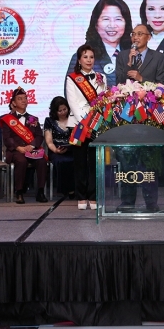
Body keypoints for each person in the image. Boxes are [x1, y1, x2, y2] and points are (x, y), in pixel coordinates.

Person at [67, 44, 107, 210]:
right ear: (79, 60)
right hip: (78, 124)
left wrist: (94, 121)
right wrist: (85, 121)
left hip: (97, 124)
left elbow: (104, 100)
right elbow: (72, 102)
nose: (89, 60)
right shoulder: (72, 78)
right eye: (85, 57)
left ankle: (93, 196)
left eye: (91, 57)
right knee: (80, 163)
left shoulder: (101, 77)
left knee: (95, 163)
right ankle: (81, 196)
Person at [65, 0, 133, 89]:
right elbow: (71, 92)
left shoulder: (136, 55)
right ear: (96, 24)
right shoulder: (81, 57)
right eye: (106, 19)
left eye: (118, 19)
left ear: (126, 23)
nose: (112, 25)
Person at [0, 87, 48, 204]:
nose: (23, 101)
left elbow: (39, 136)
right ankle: (19, 192)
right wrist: (18, 147)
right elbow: (7, 138)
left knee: (42, 161)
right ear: (13, 103)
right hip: (16, 150)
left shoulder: (33, 119)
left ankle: (40, 192)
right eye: (20, 98)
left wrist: (32, 146)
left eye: (25, 98)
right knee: (21, 161)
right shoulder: (6, 119)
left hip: (31, 150)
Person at [44, 96, 74, 198]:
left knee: (78, 160)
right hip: (56, 150)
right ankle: (66, 190)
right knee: (62, 162)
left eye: (64, 109)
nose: (63, 112)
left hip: (72, 149)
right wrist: (56, 150)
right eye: (60, 111)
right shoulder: (49, 121)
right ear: (54, 111)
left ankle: (76, 189)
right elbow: (49, 141)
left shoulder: (73, 119)